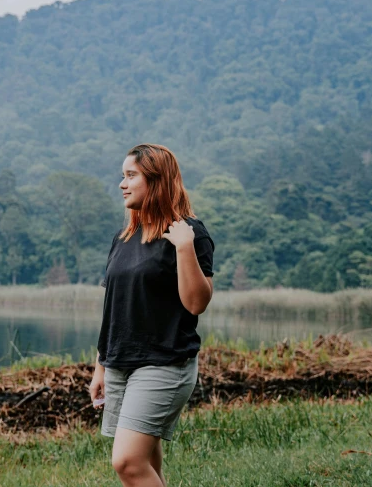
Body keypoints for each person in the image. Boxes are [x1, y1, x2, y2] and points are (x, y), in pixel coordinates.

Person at [89, 143, 215, 487]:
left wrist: (185, 248)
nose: (122, 184)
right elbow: (113, 308)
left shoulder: (189, 233)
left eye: (131, 175)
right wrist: (101, 366)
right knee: (146, 462)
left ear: (156, 181)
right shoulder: (123, 237)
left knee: (128, 462)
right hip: (121, 363)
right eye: (122, 176)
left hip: (164, 362)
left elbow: (196, 303)